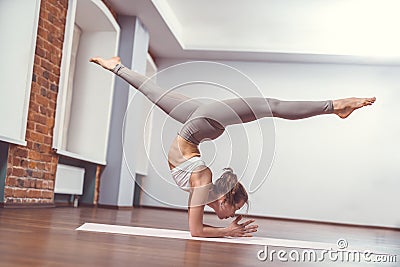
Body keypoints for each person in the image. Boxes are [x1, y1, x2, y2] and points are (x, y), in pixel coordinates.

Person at [90, 56, 376, 238]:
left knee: (156, 93)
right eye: (235, 210)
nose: (233, 215)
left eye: (234, 211)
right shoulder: (203, 182)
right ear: (224, 200)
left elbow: (195, 231)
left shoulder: (203, 185)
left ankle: (335, 105)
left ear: (224, 199)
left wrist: (226, 231)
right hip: (202, 123)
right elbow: (198, 231)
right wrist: (227, 231)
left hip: (199, 123)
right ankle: (335, 106)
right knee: (269, 107)